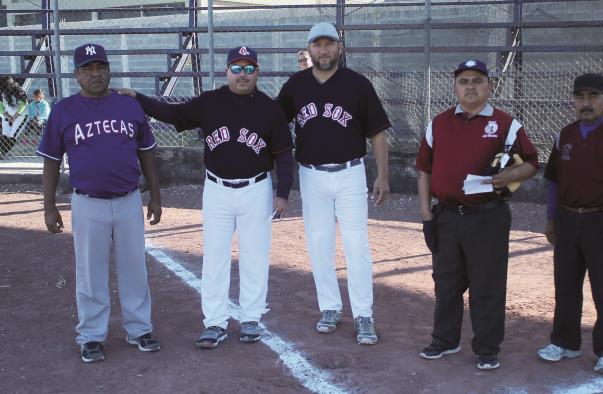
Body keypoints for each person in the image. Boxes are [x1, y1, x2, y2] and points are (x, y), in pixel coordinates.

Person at [119, 46, 294, 349]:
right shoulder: (210, 102)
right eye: (236, 68)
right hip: (217, 190)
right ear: (226, 72)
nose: (243, 74)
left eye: (248, 68)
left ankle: (252, 318)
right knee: (214, 257)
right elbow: (173, 113)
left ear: (257, 72)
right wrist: (139, 99)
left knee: (255, 256)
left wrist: (283, 193)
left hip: (257, 189)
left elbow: (284, 154)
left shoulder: (270, 108)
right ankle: (215, 322)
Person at [37, 43, 162, 363]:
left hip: (128, 200)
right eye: (88, 68)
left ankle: (139, 329)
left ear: (109, 70)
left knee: (134, 268)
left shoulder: (128, 107)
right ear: (77, 75)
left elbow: (147, 152)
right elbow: (51, 161)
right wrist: (48, 206)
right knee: (90, 273)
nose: (96, 74)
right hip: (87, 203)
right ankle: (91, 336)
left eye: (101, 67)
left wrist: (156, 195)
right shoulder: (64, 110)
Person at [415, 59, 539, 369]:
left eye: (477, 80)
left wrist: (506, 177)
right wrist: (426, 217)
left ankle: (487, 348)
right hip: (446, 216)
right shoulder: (438, 123)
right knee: (445, 283)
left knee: (487, 285)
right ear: (455, 87)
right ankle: (445, 340)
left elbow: (531, 164)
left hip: (487, 217)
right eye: (464, 81)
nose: (470, 86)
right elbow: (423, 171)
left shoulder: (507, 124)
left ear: (489, 86)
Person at [277, 22, 391, 345]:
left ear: (339, 48)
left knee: (357, 246)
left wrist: (382, 174)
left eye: (329, 44)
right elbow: (274, 124)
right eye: (317, 45)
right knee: (319, 244)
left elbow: (378, 132)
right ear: (309, 50)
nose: (323, 50)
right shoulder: (295, 86)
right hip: (311, 174)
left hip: (350, 172)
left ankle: (363, 313)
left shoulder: (357, 84)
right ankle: (329, 307)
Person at [537, 73, 603, 375]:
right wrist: (551, 218)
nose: (585, 103)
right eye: (580, 97)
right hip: (569, 219)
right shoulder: (565, 135)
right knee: (566, 285)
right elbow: (554, 182)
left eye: (592, 97)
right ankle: (565, 342)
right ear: (574, 100)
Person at [0, 76, 28, 158]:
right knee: (5, 134)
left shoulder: (18, 90)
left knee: (12, 135)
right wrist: (7, 116)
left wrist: (15, 116)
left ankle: (2, 152)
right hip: (7, 114)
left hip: (21, 115)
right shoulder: (1, 91)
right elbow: (0, 106)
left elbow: (23, 105)